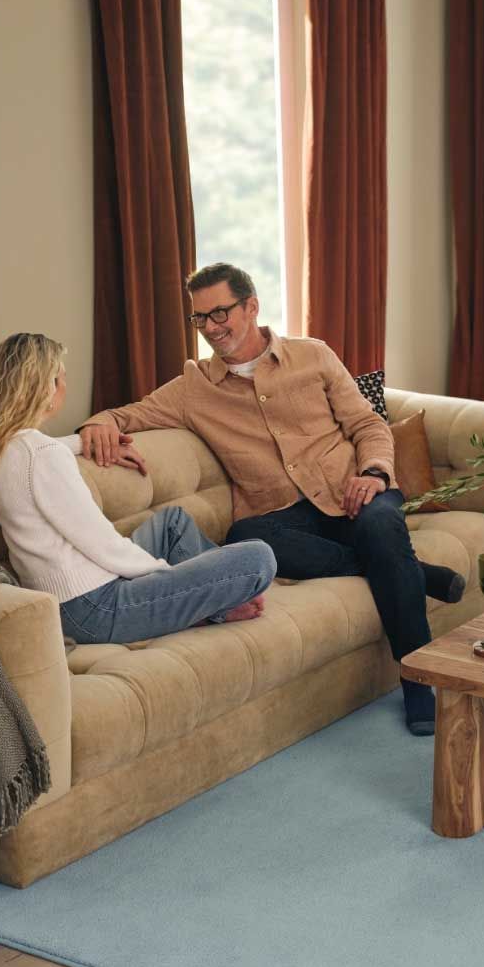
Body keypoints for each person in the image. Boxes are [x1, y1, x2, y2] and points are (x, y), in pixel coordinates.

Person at [78, 262, 462, 735]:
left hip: (354, 493)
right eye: (201, 319)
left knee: (381, 527)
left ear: (252, 306)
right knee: (245, 535)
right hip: (282, 519)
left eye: (221, 313)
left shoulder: (314, 356)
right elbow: (126, 415)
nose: (212, 328)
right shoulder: (193, 389)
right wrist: (97, 425)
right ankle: (413, 571)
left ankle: (418, 682)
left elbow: (367, 425)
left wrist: (374, 473)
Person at [0, 333, 277, 645]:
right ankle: (218, 605)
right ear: (45, 389)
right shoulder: (42, 456)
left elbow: (39, 459)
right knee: (259, 557)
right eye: (61, 378)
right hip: (94, 608)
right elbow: (100, 542)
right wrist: (163, 576)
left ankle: (215, 602)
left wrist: (80, 442)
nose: (65, 387)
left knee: (173, 524)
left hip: (72, 600)